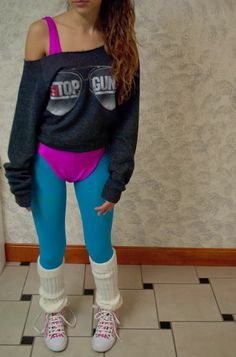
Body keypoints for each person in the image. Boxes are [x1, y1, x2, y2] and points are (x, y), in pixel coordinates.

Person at [3, 0, 140, 353]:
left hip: (96, 160)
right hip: (47, 160)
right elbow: (26, 110)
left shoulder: (120, 40)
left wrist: (118, 177)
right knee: (52, 246)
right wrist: (18, 171)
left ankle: (107, 309)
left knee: (99, 245)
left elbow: (127, 121)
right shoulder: (41, 33)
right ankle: (53, 309)